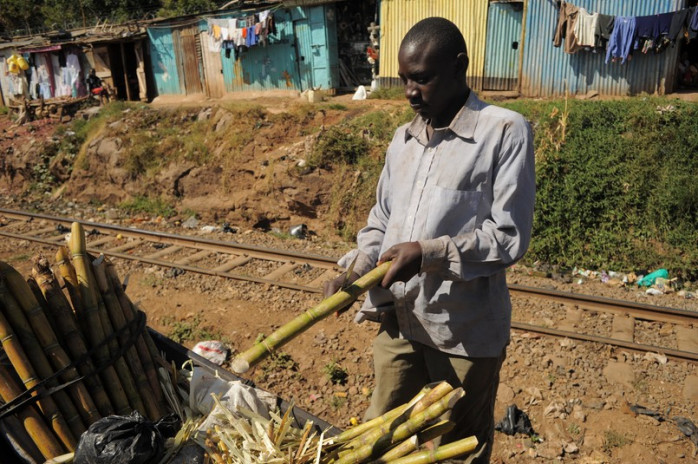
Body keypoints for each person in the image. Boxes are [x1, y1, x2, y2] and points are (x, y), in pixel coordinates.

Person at [323, 17, 535, 463]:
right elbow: (382, 220)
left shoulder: (503, 132)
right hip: (400, 320)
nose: (409, 92)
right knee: (378, 439)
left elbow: (507, 237)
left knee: (459, 447)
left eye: (421, 78)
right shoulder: (403, 140)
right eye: (404, 79)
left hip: (463, 333)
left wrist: (428, 253)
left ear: (459, 67)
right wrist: (357, 270)